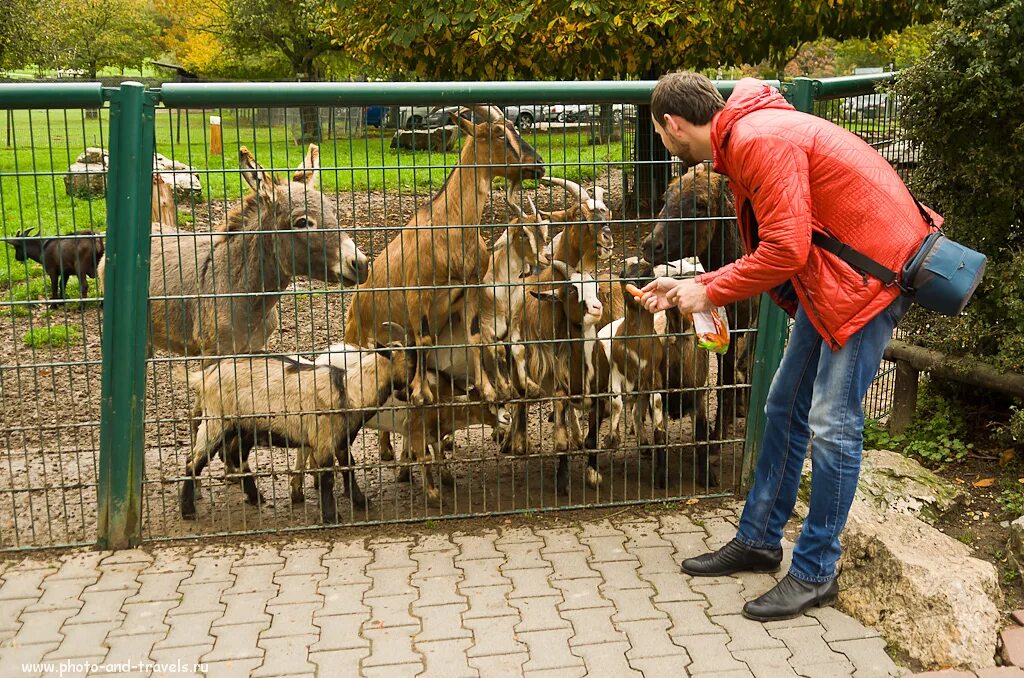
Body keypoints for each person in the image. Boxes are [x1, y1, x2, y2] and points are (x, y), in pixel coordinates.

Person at [639, 72, 935, 622]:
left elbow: (786, 251)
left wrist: (709, 290)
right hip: (834, 280)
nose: (663, 142)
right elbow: (787, 245)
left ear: (673, 124)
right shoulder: (745, 136)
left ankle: (816, 570)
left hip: (869, 282)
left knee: (833, 422)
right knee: (783, 405)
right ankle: (758, 540)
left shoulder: (758, 140)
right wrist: (693, 284)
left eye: (659, 133)